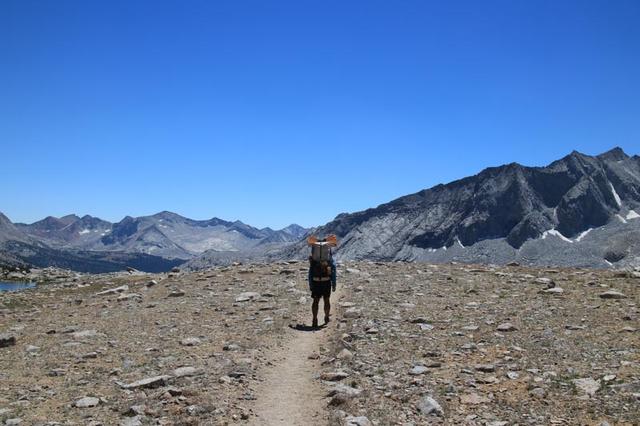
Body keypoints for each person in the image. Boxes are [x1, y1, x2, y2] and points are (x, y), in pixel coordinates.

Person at [308, 249, 337, 328]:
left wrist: (311, 284)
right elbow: (333, 270)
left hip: (316, 282)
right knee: (326, 300)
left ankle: (314, 320)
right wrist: (334, 284)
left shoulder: (314, 260)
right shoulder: (328, 258)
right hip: (326, 282)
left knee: (315, 300)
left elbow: (310, 273)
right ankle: (326, 318)